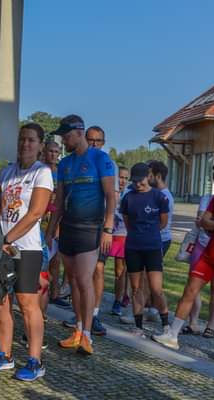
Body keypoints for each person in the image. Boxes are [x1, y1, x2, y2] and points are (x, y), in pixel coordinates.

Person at [153, 160, 214, 361]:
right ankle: (172, 335)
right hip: (210, 255)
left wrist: (211, 223)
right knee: (189, 290)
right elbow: (203, 222)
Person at [47, 115, 115, 355]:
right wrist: (51, 230)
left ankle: (87, 334)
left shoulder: (100, 159)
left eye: (66, 136)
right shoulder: (65, 164)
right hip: (69, 227)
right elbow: (59, 202)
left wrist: (108, 229)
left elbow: (111, 195)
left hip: (91, 228)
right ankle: (77, 329)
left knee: (85, 279)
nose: (63, 141)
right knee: (74, 280)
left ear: (78, 133)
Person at [0, 123, 53, 381]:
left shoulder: (42, 172)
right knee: (0, 302)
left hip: (26, 248)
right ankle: (4, 355)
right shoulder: (6, 172)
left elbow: (35, 212)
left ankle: (35, 360)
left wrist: (8, 238)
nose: (25, 144)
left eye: (31, 140)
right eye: (22, 139)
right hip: (3, 247)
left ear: (40, 145)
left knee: (28, 304)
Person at [120, 163, 170, 335]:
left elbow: (163, 222)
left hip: (153, 247)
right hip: (133, 247)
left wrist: (150, 232)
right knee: (136, 288)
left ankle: (166, 326)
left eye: (140, 180)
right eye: (134, 181)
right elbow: (127, 222)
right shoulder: (128, 197)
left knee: (156, 289)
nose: (137, 184)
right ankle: (138, 326)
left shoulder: (159, 196)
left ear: (148, 177)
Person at [181, 176, 214, 337]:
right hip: (202, 245)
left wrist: (209, 223)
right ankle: (193, 323)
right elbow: (200, 222)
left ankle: (211, 326)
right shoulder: (207, 198)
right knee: (193, 286)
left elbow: (207, 222)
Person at [87, 126, 114, 336]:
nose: (94, 144)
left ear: (103, 143)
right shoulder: (77, 161)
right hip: (80, 224)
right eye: (91, 140)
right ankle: (82, 313)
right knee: (80, 272)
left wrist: (108, 228)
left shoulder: (108, 163)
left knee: (98, 269)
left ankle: (94, 314)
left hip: (100, 225)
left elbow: (112, 198)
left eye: (98, 140)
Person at [43, 140, 70, 309]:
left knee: (56, 259)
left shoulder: (61, 172)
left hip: (57, 218)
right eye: (50, 151)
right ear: (44, 151)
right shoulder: (40, 169)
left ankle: (55, 293)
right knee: (44, 257)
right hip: (42, 217)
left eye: (56, 152)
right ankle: (43, 291)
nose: (53, 155)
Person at [109, 166, 130, 316]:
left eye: (125, 178)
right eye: (120, 177)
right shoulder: (110, 191)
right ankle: (118, 298)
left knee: (122, 270)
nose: (122, 181)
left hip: (125, 234)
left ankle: (120, 298)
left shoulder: (129, 195)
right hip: (110, 234)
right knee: (116, 269)